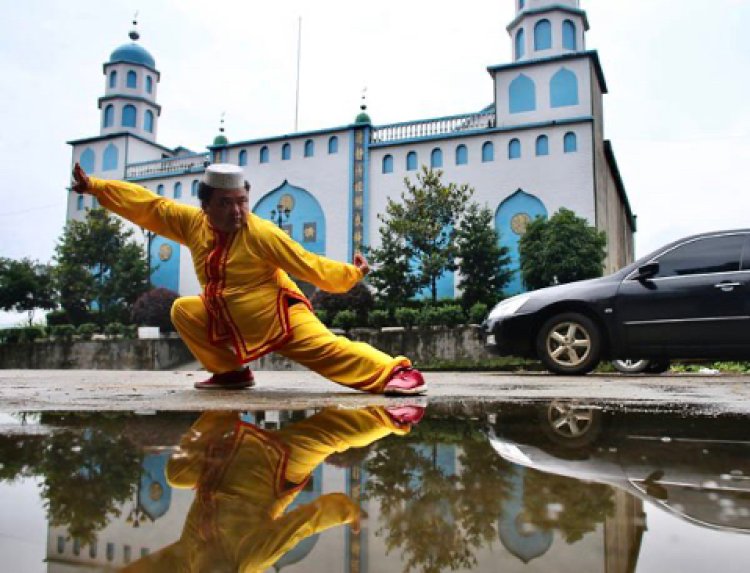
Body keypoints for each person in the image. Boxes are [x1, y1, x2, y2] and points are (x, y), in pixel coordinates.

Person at [71, 162, 426, 394]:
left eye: (242, 201)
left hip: (275, 316)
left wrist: (352, 273)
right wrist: (97, 187)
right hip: (226, 316)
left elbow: (307, 263)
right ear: (206, 206)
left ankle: (394, 372)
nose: (237, 210)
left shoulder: (260, 232)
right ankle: (231, 373)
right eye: (226, 203)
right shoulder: (191, 223)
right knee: (183, 310)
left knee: (329, 350)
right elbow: (149, 206)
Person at [120, 405, 425, 572]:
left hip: (225, 460)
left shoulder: (185, 562)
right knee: (330, 433)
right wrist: (344, 511)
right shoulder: (250, 559)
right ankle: (394, 415)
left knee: (176, 473)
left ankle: (222, 409)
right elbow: (298, 528)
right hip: (272, 467)